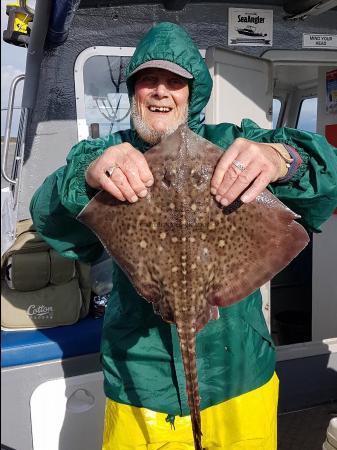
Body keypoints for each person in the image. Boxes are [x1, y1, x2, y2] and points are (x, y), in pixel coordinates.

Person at [30, 22, 337, 450]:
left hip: (239, 375)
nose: (161, 91)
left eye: (175, 81)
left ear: (191, 95)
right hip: (141, 377)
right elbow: (48, 219)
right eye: (148, 81)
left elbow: (329, 175)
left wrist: (283, 158)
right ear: (133, 91)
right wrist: (84, 177)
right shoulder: (109, 158)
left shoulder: (233, 145)